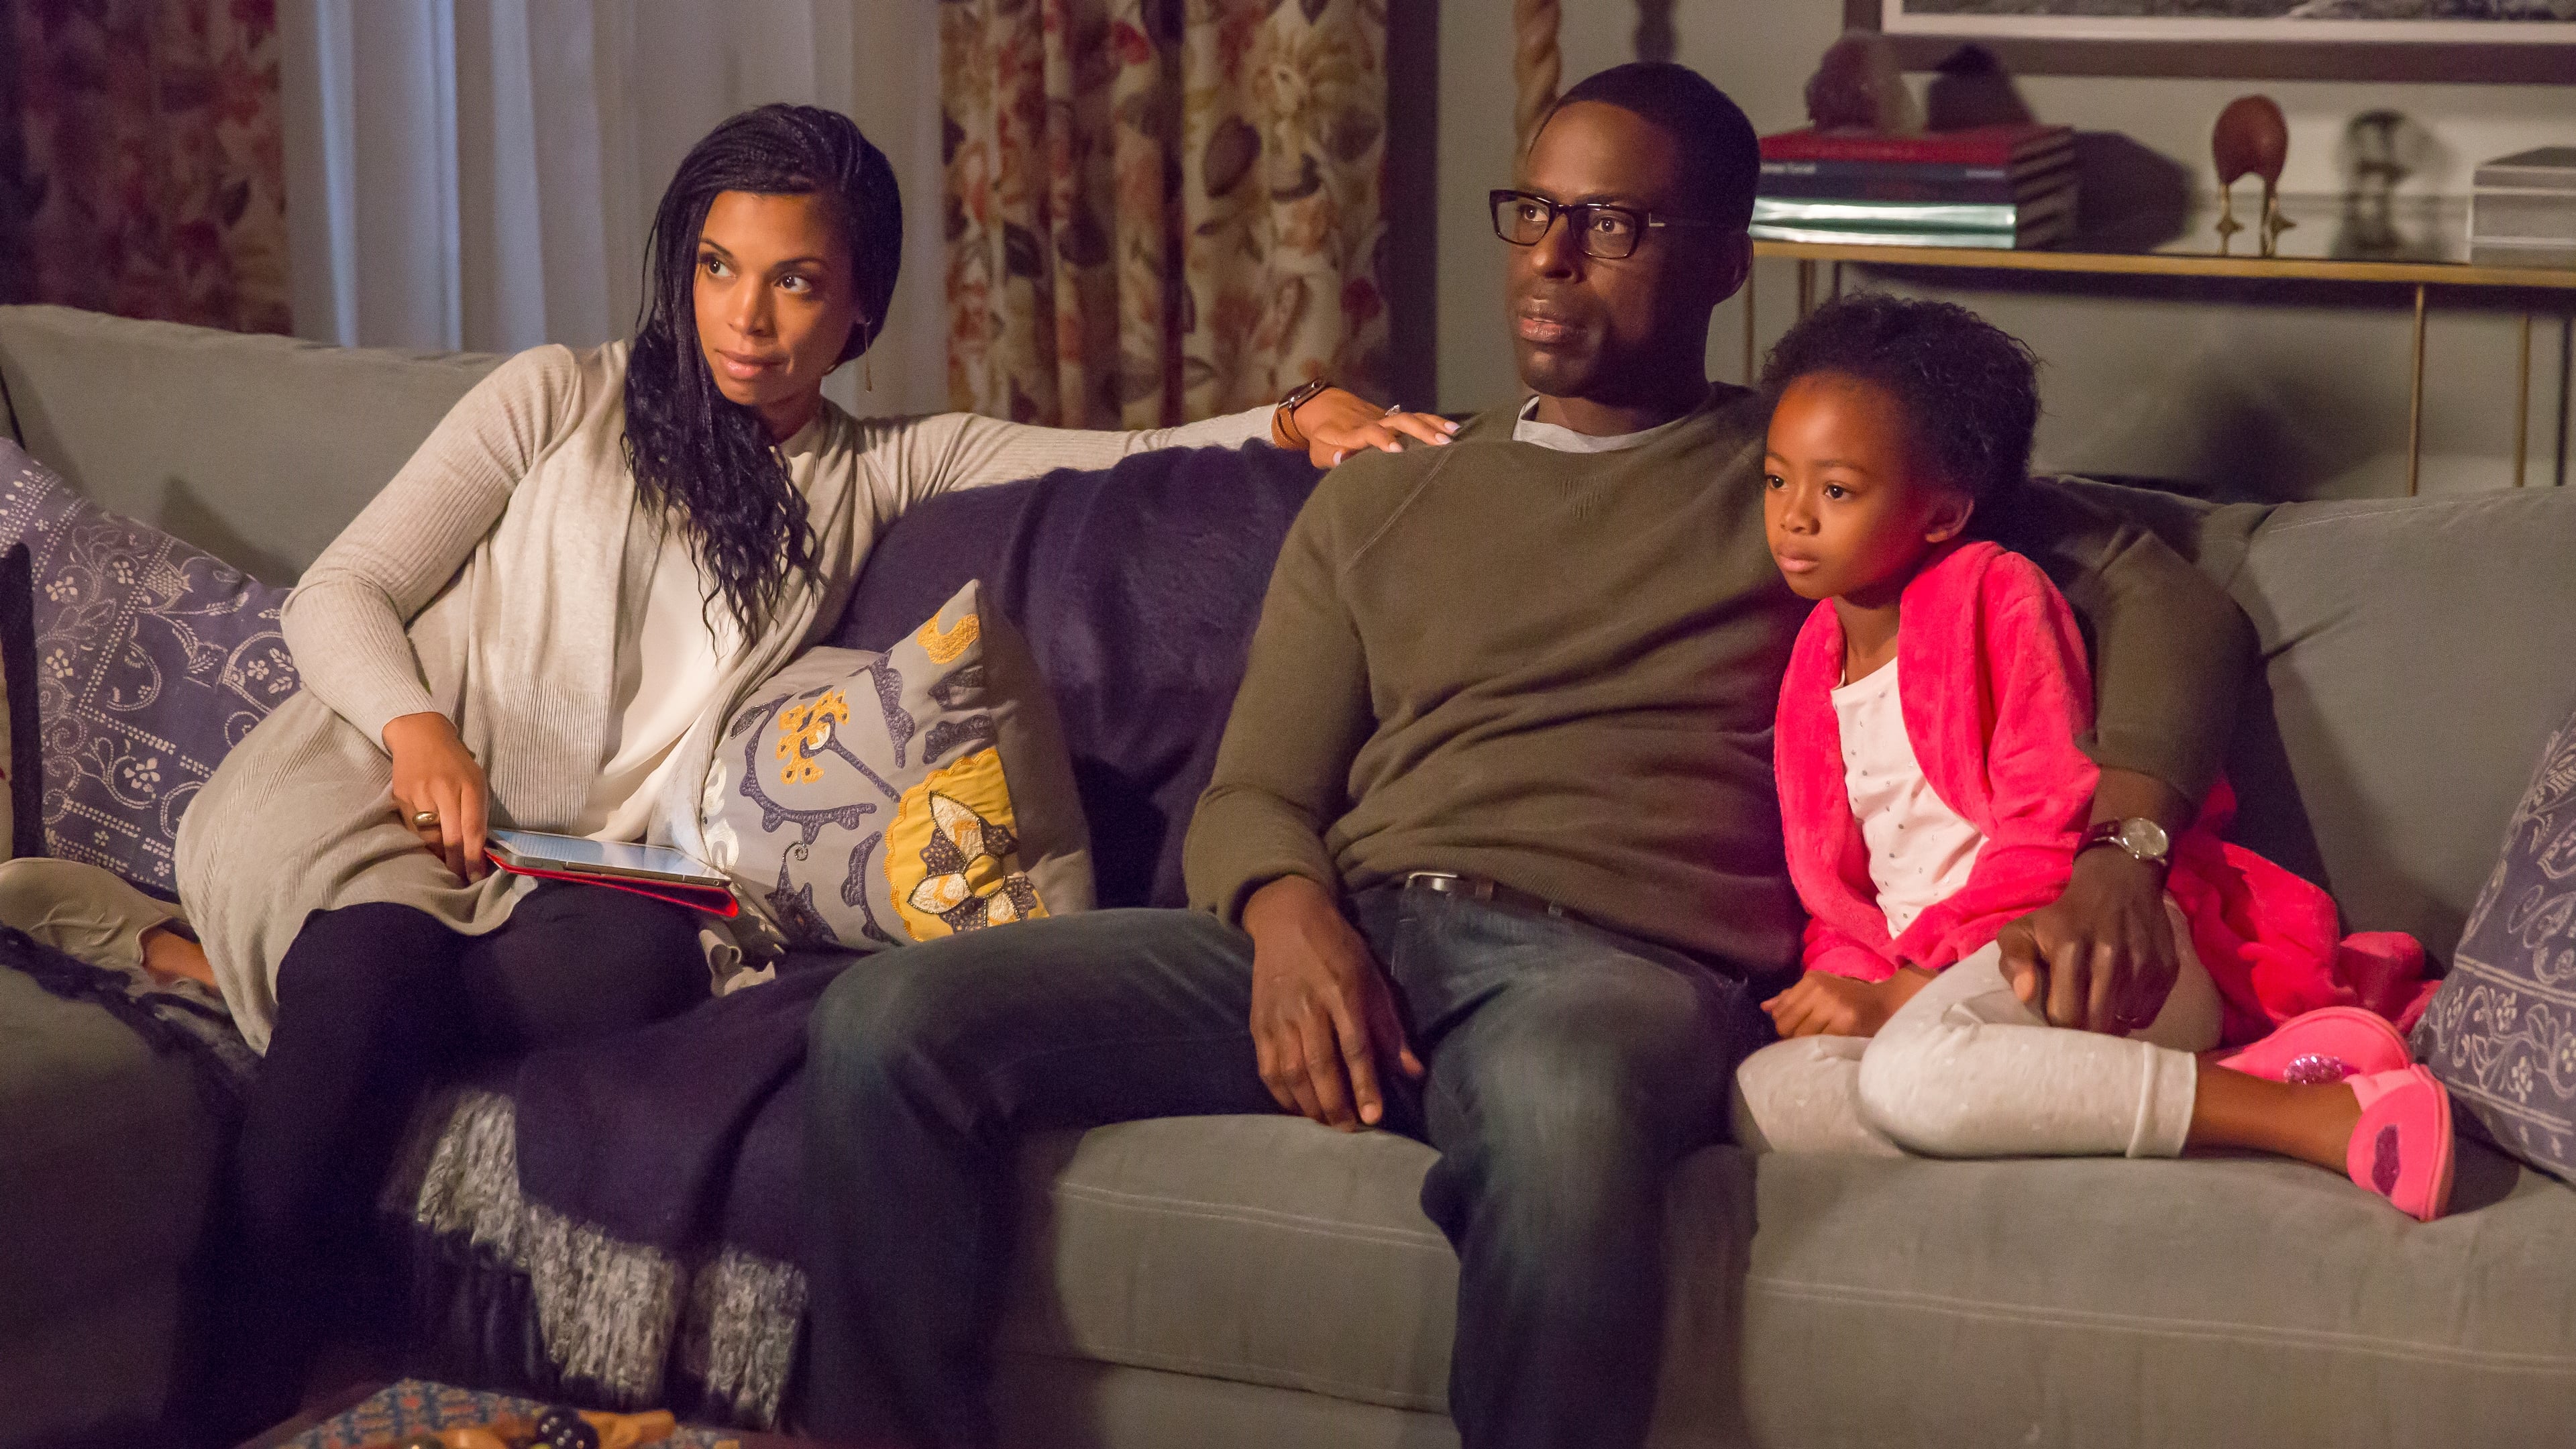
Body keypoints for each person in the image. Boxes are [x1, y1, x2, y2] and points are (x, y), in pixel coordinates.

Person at [798, 64, 2258, 1449]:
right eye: (1536, 212)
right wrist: (1289, 920)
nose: (1552, 257)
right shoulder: (1388, 498)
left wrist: (2121, 853)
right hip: (1359, 926)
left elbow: (2171, 602)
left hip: (1617, 970)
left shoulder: (1810, 478)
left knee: (1560, 1117)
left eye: (1611, 224)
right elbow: (1257, 793)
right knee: (887, 1023)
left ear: (1724, 264)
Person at [9, 103, 1442, 1437]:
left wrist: (1296, 415)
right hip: (383, 785)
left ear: (861, 306)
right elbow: (343, 592)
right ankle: (232, 1402)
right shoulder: (556, 397)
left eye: (795, 282)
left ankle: (218, 978)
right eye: (717, 267)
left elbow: (1127, 451)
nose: (746, 318)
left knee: (640, 971)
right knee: (367, 970)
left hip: (572, 872)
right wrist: (417, 729)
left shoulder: (882, 466)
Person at [1729, 293, 2449, 1221]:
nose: (1792, 518)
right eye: (1776, 480)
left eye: (1835, 491)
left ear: (1942, 511)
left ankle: (2317, 1113)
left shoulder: (1995, 597)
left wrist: (1911, 992)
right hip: (1938, 1000)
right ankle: (2102, 1097)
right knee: (1767, 1099)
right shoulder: (1810, 662)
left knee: (1913, 1076)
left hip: (2079, 956)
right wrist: (1854, 986)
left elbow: (2053, 823)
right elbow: (1838, 892)